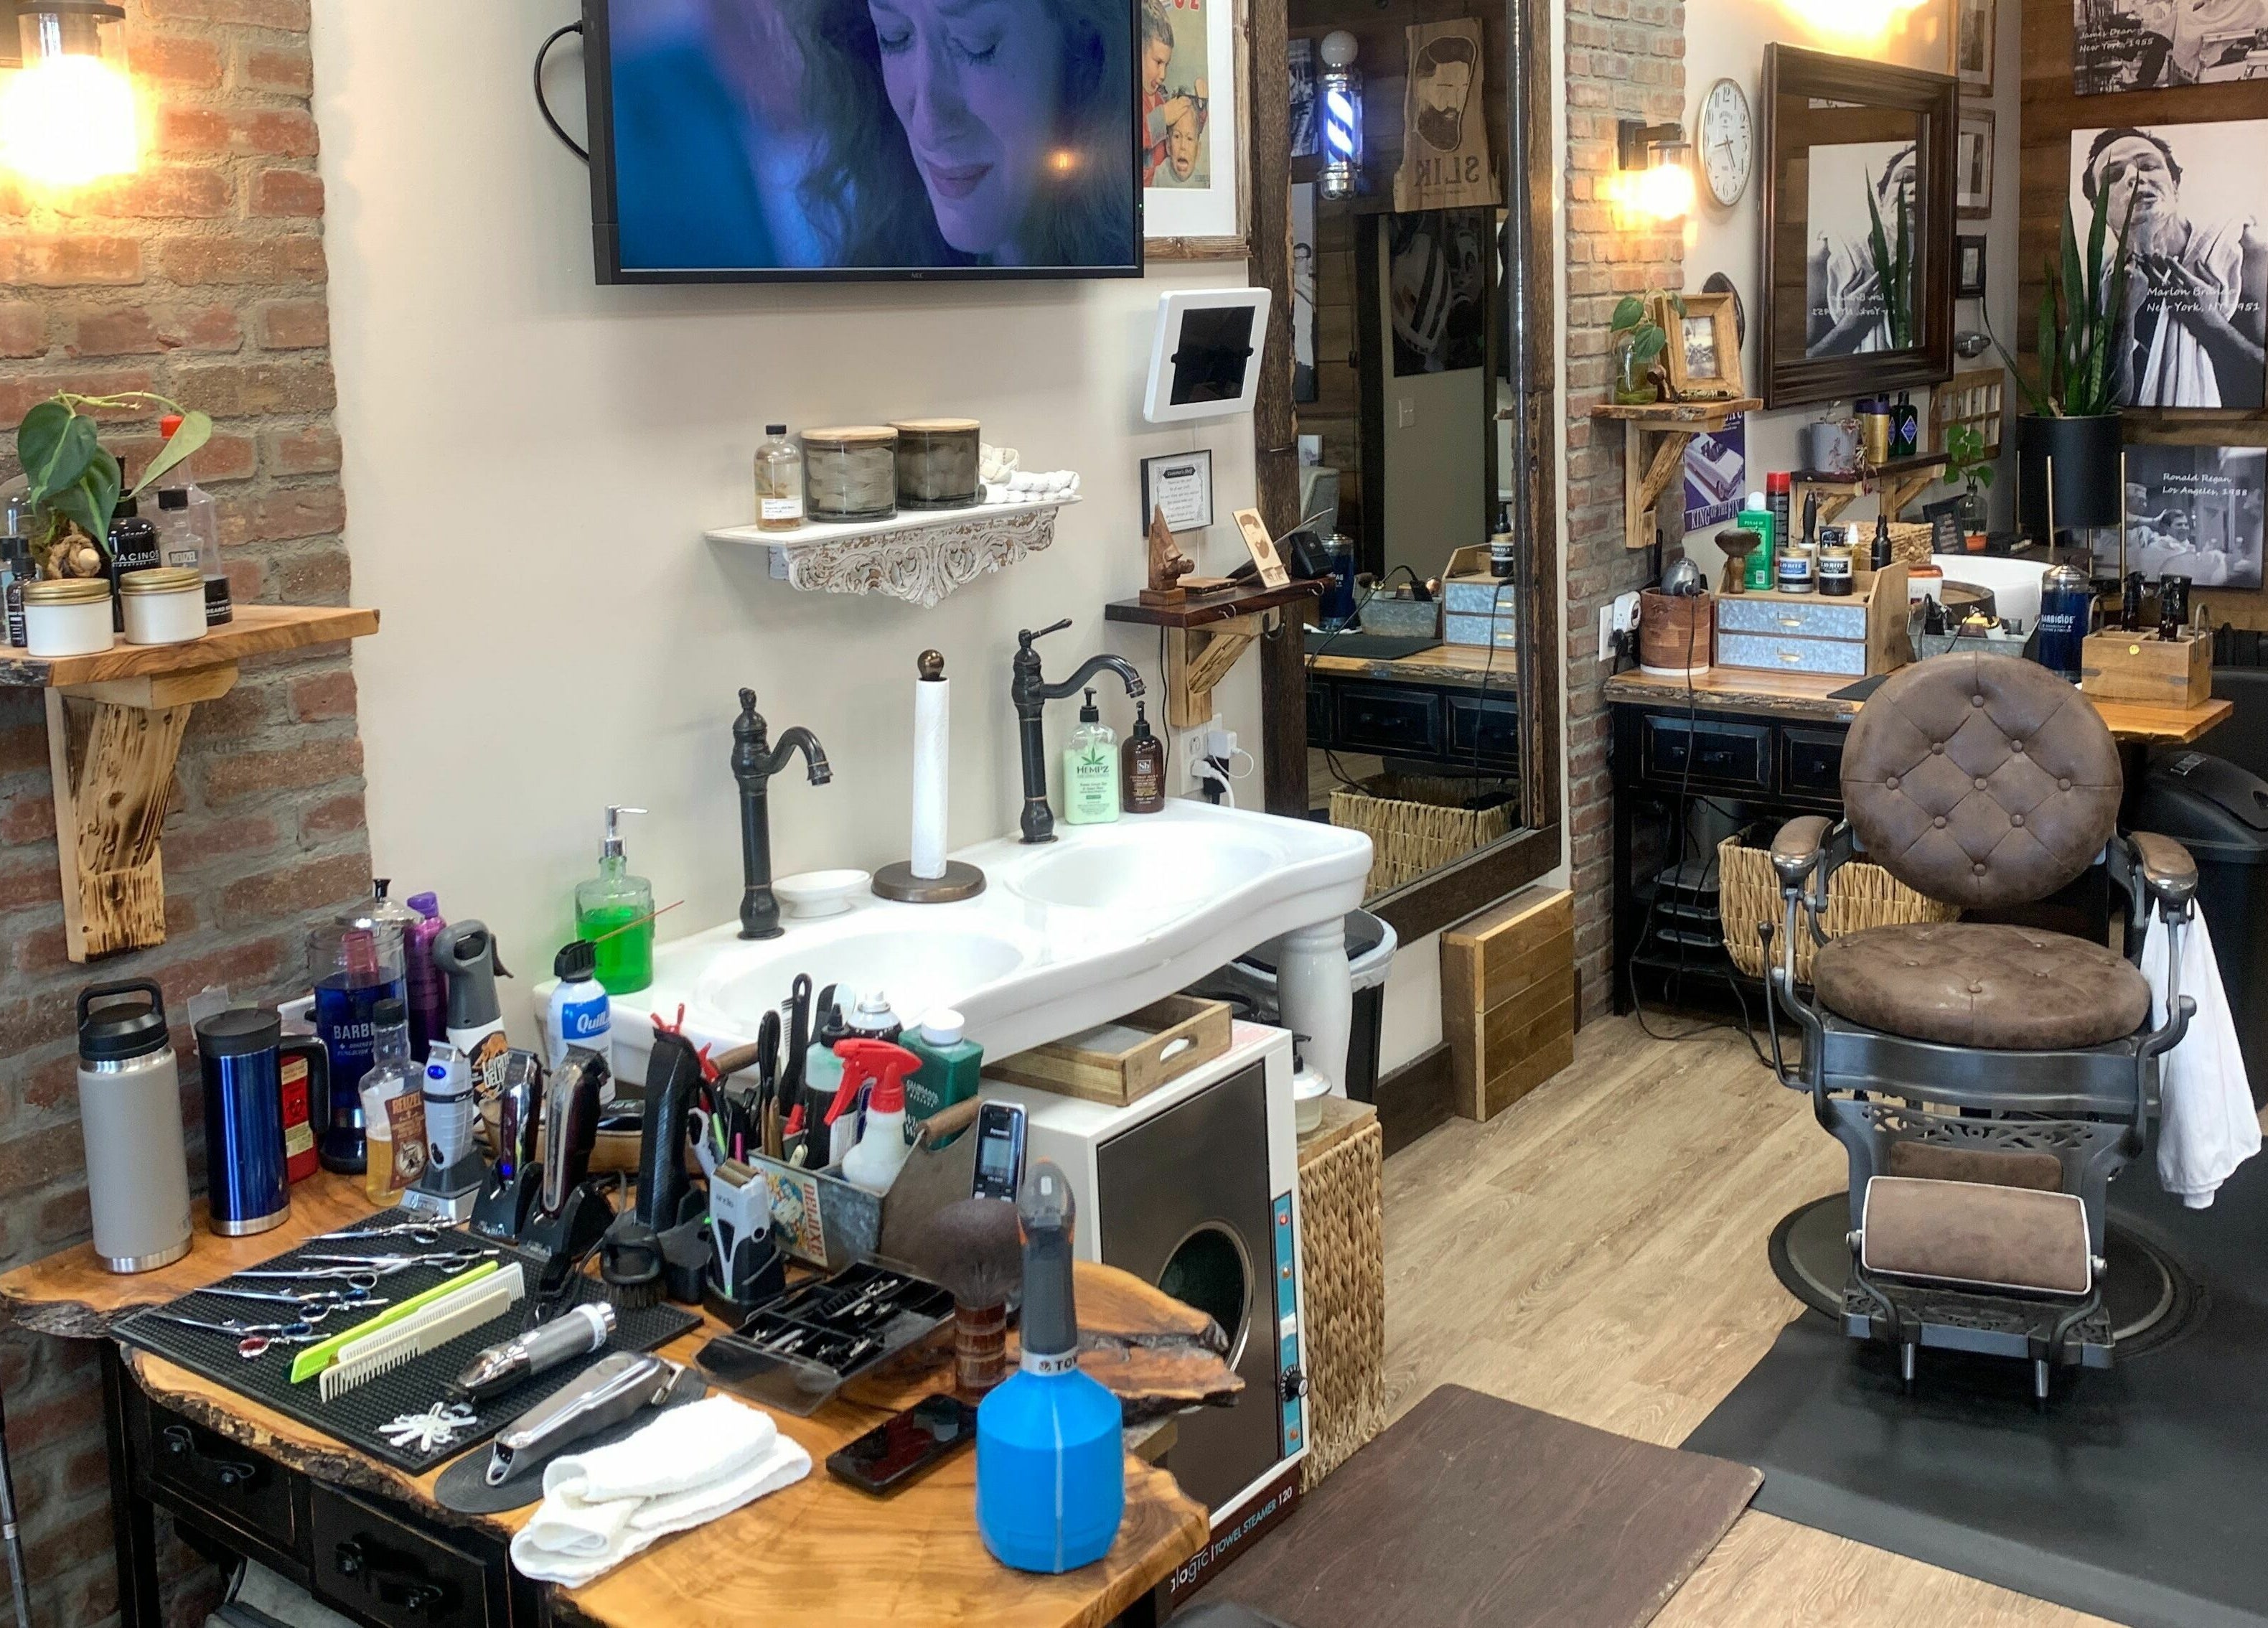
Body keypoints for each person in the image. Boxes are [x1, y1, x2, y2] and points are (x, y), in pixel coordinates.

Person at [865, 0, 1136, 266]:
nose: (927, 127)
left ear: (1080, 41)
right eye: (893, 36)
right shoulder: (878, 252)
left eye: (976, 44)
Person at [2081, 126, 2268, 408]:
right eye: (2114, 176)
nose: (2135, 177)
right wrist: (2120, 317)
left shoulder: (2242, 256)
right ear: (2098, 209)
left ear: (2175, 185)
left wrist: (2209, 323)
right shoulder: (2101, 281)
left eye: (2148, 166)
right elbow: (2110, 405)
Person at [1805, 144, 1916, 357]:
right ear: (1882, 199)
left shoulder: (1939, 273)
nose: (1914, 189)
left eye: (1929, 184)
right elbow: (1796, 365)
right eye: (1905, 179)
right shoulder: (1833, 260)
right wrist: (1851, 326)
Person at [1140, 0, 1206, 187]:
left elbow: (1186, 124)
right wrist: (1161, 118)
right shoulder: (1126, 99)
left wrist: (1201, 107)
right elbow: (1125, 139)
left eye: (1167, 65)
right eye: (1158, 62)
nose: (1163, 75)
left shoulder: (1161, 98)